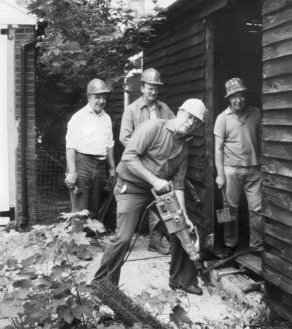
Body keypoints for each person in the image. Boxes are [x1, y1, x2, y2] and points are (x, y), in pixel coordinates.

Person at [94, 98, 207, 295]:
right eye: (189, 117)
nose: (191, 123)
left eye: (196, 122)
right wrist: (154, 180)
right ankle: (102, 285)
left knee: (181, 228)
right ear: (180, 112)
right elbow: (128, 157)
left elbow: (178, 184)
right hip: (132, 187)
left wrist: (184, 216)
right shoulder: (152, 128)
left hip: (159, 192)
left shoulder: (184, 147)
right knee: (123, 238)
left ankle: (182, 280)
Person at [120, 68, 175, 255]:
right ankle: (122, 240)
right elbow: (124, 138)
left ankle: (155, 241)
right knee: (132, 205)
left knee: (162, 205)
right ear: (142, 87)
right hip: (138, 167)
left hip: (159, 169)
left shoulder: (164, 109)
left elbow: (175, 130)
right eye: (150, 88)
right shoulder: (132, 110)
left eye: (156, 89)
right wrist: (143, 154)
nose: (153, 92)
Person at [214, 77, 263, 256]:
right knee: (228, 210)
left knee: (257, 209)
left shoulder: (256, 113)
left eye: (241, 95)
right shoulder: (222, 118)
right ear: (228, 98)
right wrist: (220, 174)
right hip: (230, 170)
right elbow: (217, 148)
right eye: (234, 96)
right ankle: (229, 243)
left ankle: (257, 245)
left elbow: (262, 140)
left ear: (245, 95)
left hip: (254, 170)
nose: (238, 100)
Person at [65, 78, 116, 234]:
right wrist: (72, 172)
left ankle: (90, 239)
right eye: (97, 97)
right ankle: (79, 247)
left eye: (104, 97)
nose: (101, 101)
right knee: (80, 207)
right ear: (89, 97)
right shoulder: (78, 117)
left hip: (100, 166)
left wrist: (112, 168)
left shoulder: (106, 118)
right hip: (82, 163)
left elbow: (109, 145)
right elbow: (71, 147)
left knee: (94, 205)